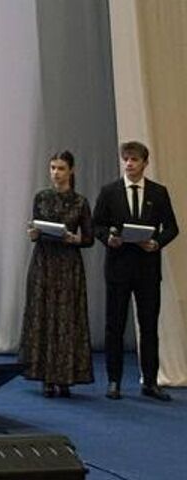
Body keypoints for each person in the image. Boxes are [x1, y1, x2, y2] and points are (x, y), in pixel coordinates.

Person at [96, 140, 177, 401]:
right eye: (126, 159)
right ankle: (114, 381)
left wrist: (157, 243)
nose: (129, 164)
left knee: (149, 326)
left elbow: (172, 228)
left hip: (147, 269)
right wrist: (108, 238)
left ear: (145, 163)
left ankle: (150, 382)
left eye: (134, 160)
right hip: (118, 267)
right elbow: (97, 225)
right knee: (115, 326)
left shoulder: (158, 192)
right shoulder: (110, 191)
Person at [21, 151, 93, 397]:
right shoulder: (41, 197)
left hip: (67, 264)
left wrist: (75, 239)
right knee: (43, 315)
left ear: (71, 171)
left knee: (66, 319)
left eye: (61, 168)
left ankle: (65, 376)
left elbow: (89, 238)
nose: (56, 173)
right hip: (44, 261)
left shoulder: (80, 202)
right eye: (52, 168)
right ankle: (45, 376)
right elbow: (35, 228)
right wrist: (32, 233)